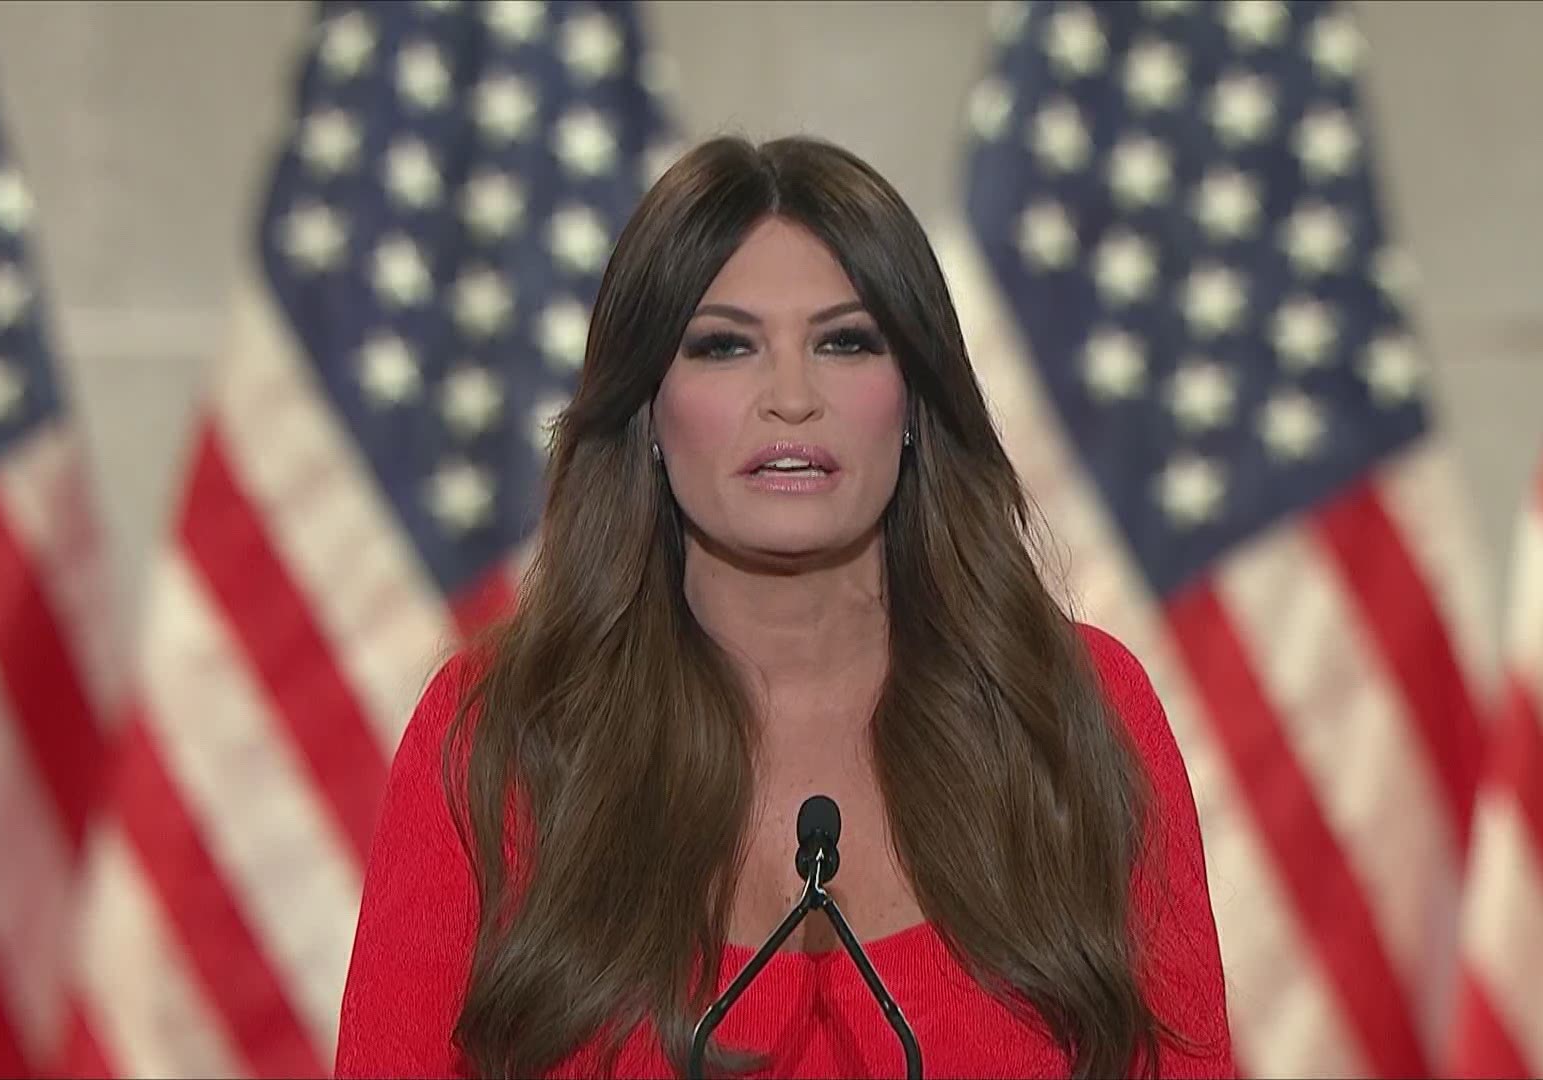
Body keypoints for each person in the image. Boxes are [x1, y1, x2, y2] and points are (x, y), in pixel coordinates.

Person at [333, 134, 1235, 1080]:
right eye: (725, 346)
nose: (792, 399)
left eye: (845, 342)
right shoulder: (502, 737)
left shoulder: (1069, 706)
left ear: (916, 401)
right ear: (646, 408)